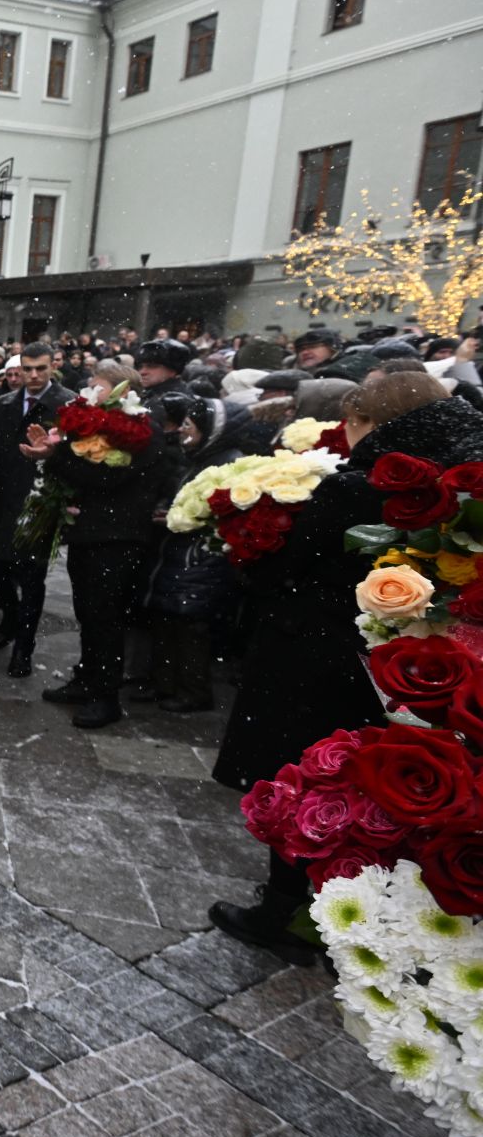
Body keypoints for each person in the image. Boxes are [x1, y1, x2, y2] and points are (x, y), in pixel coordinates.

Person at [210, 374, 483, 961]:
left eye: (353, 424)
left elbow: (282, 572)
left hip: (321, 654)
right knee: (398, 787)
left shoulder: (361, 490)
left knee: (312, 781)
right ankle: (370, 910)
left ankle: (285, 911)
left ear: (373, 425)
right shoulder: (463, 476)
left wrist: (254, 544)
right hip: (422, 665)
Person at [24, 364, 173, 728]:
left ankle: (105, 697)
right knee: (88, 613)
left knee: (105, 618)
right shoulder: (112, 423)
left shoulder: (140, 429)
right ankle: (87, 678)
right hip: (92, 533)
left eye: (99, 388)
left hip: (118, 537)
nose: (91, 394)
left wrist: (56, 456)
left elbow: (105, 478)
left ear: (123, 390)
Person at [0, 342, 75, 677]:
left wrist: (52, 455)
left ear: (52, 368)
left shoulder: (67, 404)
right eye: (27, 369)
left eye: (40, 369)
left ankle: (24, 648)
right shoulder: (4, 403)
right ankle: (10, 614)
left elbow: (78, 456)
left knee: (32, 578)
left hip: (40, 501)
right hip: (1, 501)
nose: (33, 376)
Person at [144, 396, 242, 713]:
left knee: (189, 626)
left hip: (199, 559)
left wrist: (182, 520)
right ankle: (166, 683)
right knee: (170, 619)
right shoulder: (199, 458)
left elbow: (216, 513)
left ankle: (192, 691)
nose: (184, 431)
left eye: (190, 426)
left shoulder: (225, 464)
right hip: (181, 553)